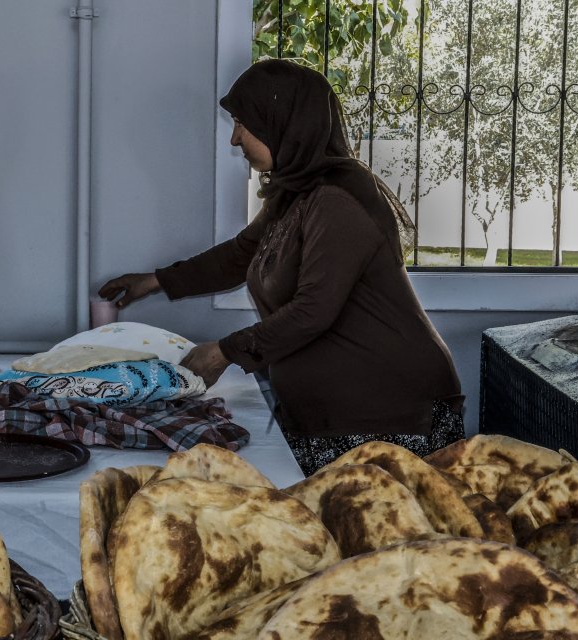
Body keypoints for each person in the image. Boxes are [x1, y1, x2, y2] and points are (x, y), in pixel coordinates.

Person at [99, 60, 462, 476]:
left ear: (284, 123)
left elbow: (314, 309)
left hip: (385, 413)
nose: (235, 138)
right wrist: (153, 281)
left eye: (242, 124)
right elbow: (239, 256)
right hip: (334, 413)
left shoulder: (338, 197)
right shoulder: (295, 192)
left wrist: (225, 352)